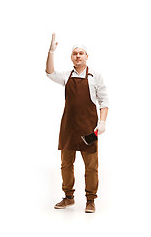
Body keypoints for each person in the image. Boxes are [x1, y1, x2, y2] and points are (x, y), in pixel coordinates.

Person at [45, 33, 109, 213]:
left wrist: (102, 123)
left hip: (89, 128)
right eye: (75, 53)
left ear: (87, 56)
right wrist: (51, 51)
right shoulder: (66, 76)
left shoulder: (96, 76)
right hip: (68, 128)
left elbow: (104, 102)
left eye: (81, 53)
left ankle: (90, 200)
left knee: (91, 166)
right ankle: (68, 197)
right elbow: (50, 72)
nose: (78, 56)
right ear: (71, 57)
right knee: (66, 164)